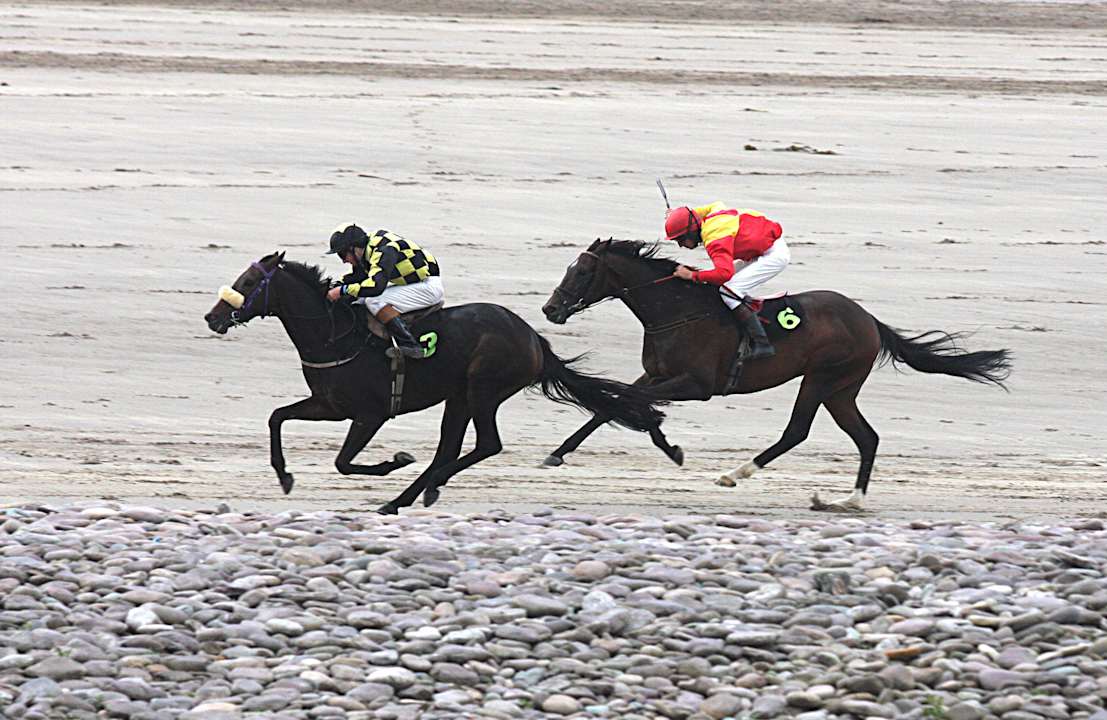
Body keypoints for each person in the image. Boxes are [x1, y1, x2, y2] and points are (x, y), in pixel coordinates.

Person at [664, 202, 789, 361]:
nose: (681, 245)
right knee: (720, 285)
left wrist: (692, 276)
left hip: (773, 255)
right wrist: (676, 217)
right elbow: (699, 211)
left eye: (680, 239)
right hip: (763, 246)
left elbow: (724, 273)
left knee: (728, 291)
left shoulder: (714, 238)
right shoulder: (712, 215)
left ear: (691, 231)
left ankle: (762, 344)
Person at [325, 222, 444, 360]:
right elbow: (358, 277)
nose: (344, 261)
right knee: (360, 297)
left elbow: (375, 287)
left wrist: (343, 290)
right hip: (415, 283)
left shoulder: (384, 250)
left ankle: (410, 344)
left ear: (354, 248)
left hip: (428, 287)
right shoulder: (369, 248)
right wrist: (335, 287)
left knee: (374, 300)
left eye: (342, 254)